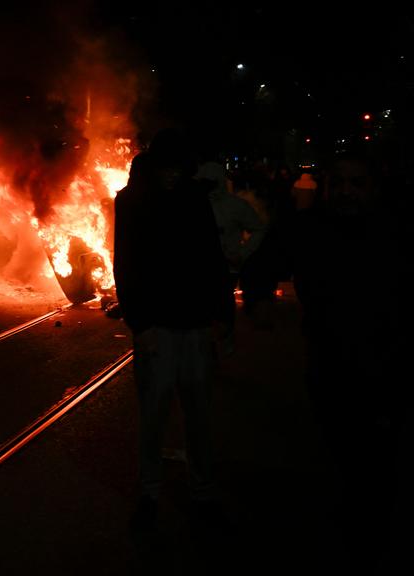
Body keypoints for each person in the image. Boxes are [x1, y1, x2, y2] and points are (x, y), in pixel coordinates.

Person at [291, 152, 406, 572]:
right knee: (343, 447)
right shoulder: (312, 229)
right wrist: (258, 293)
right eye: (338, 183)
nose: (346, 192)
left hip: (384, 370)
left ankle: (370, 537)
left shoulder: (395, 233)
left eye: (356, 183)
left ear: (373, 188)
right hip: (328, 366)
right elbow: (272, 257)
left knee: (375, 459)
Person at [113, 128, 230, 532]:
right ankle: (149, 494)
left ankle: (203, 493)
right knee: (154, 417)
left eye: (178, 168)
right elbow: (125, 263)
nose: (172, 174)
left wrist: (222, 314)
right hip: (157, 326)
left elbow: (212, 257)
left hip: (195, 323)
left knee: (199, 416)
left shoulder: (195, 198)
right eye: (166, 167)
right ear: (154, 165)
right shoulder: (132, 201)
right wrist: (139, 323)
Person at [196, 161, 266, 351]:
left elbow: (258, 229)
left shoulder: (234, 205)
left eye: (210, 182)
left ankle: (223, 343)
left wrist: (242, 253)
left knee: (222, 308)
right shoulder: (194, 204)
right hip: (200, 267)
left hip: (227, 267)